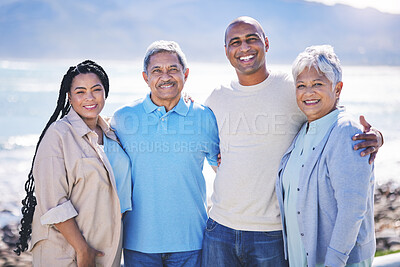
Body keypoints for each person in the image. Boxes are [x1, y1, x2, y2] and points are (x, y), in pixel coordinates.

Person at [202, 16, 382, 266]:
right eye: (235, 42)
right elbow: (207, 146)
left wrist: (376, 137)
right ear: (226, 50)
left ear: (266, 43)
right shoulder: (216, 97)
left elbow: (334, 115)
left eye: (252, 39)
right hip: (219, 227)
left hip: (273, 232)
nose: (244, 48)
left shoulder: (292, 88)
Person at [111, 40, 220, 267]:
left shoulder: (205, 117)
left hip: (191, 241)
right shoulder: (122, 118)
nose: (165, 76)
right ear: (145, 77)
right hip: (137, 242)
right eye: (157, 71)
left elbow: (223, 168)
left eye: (173, 69)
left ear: (185, 74)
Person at [14, 60, 132, 267]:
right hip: (67, 252)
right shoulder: (58, 135)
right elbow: (54, 202)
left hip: (107, 249)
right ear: (69, 96)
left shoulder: (112, 134)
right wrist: (82, 249)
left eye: (96, 89)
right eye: (80, 91)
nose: (89, 97)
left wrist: (180, 98)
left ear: (106, 93)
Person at [275, 45, 375, 267]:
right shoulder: (304, 131)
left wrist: (334, 262)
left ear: (337, 89)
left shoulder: (346, 130)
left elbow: (352, 208)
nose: (308, 92)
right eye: (301, 85)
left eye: (317, 84)